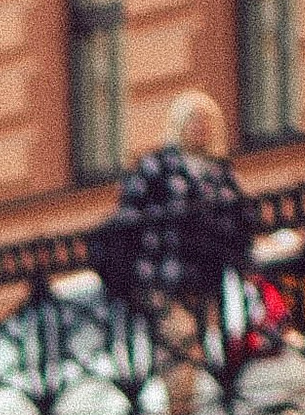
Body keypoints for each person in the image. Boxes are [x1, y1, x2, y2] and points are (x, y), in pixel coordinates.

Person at [105, 87, 251, 318]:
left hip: (210, 275)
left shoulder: (221, 171)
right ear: (179, 123)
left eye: (207, 120)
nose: (201, 126)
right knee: (180, 333)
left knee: (211, 333)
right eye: (194, 119)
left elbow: (240, 216)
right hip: (165, 272)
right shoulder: (156, 166)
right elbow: (128, 217)